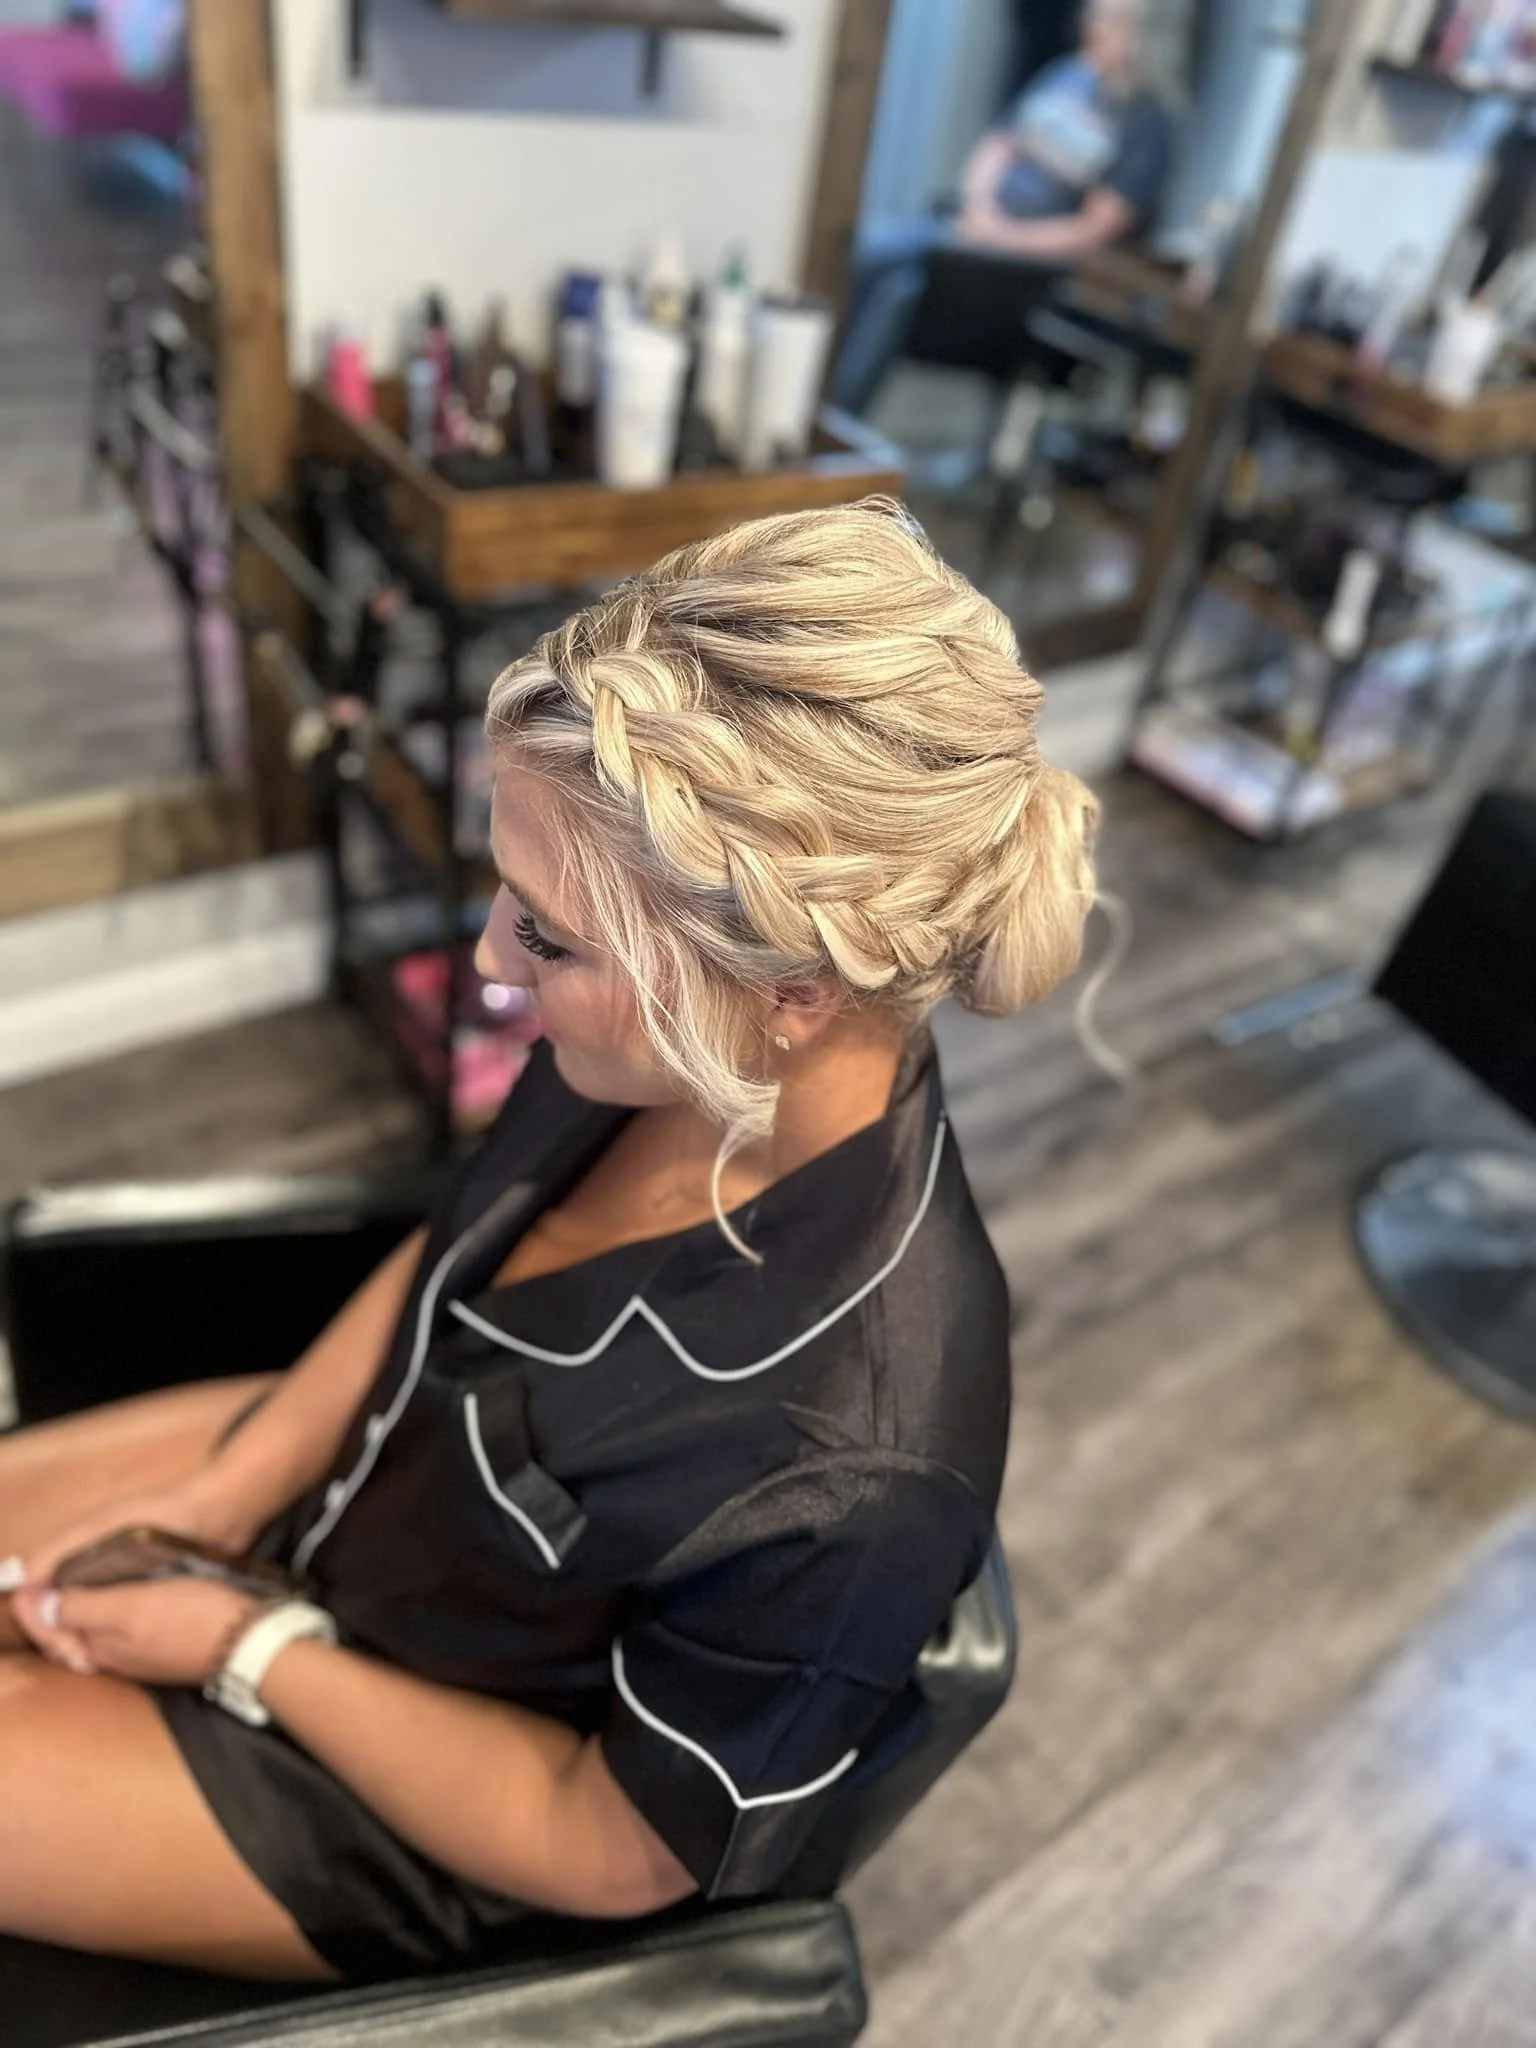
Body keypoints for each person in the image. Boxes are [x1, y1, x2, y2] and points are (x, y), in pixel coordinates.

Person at [0, 500, 1098, 1984]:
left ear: (793, 994)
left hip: (408, 1789)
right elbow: (455, 1253)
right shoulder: (656, 1034)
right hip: (361, 1492)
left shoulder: (858, 1472)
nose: (488, 964)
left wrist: (248, 1651)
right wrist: (228, 1485)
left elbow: (604, 1843)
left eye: (546, 941)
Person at [830, 0, 1176, 416]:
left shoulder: (1148, 127)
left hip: (1025, 272)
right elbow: (998, 145)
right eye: (1092, 14)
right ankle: (825, 416)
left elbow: (1092, 230)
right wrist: (980, 207)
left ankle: (837, 425)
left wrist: (1001, 237)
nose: (1092, 27)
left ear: (1141, 38)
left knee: (901, 284)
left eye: (1108, 20)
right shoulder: (1067, 75)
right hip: (971, 231)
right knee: (864, 256)